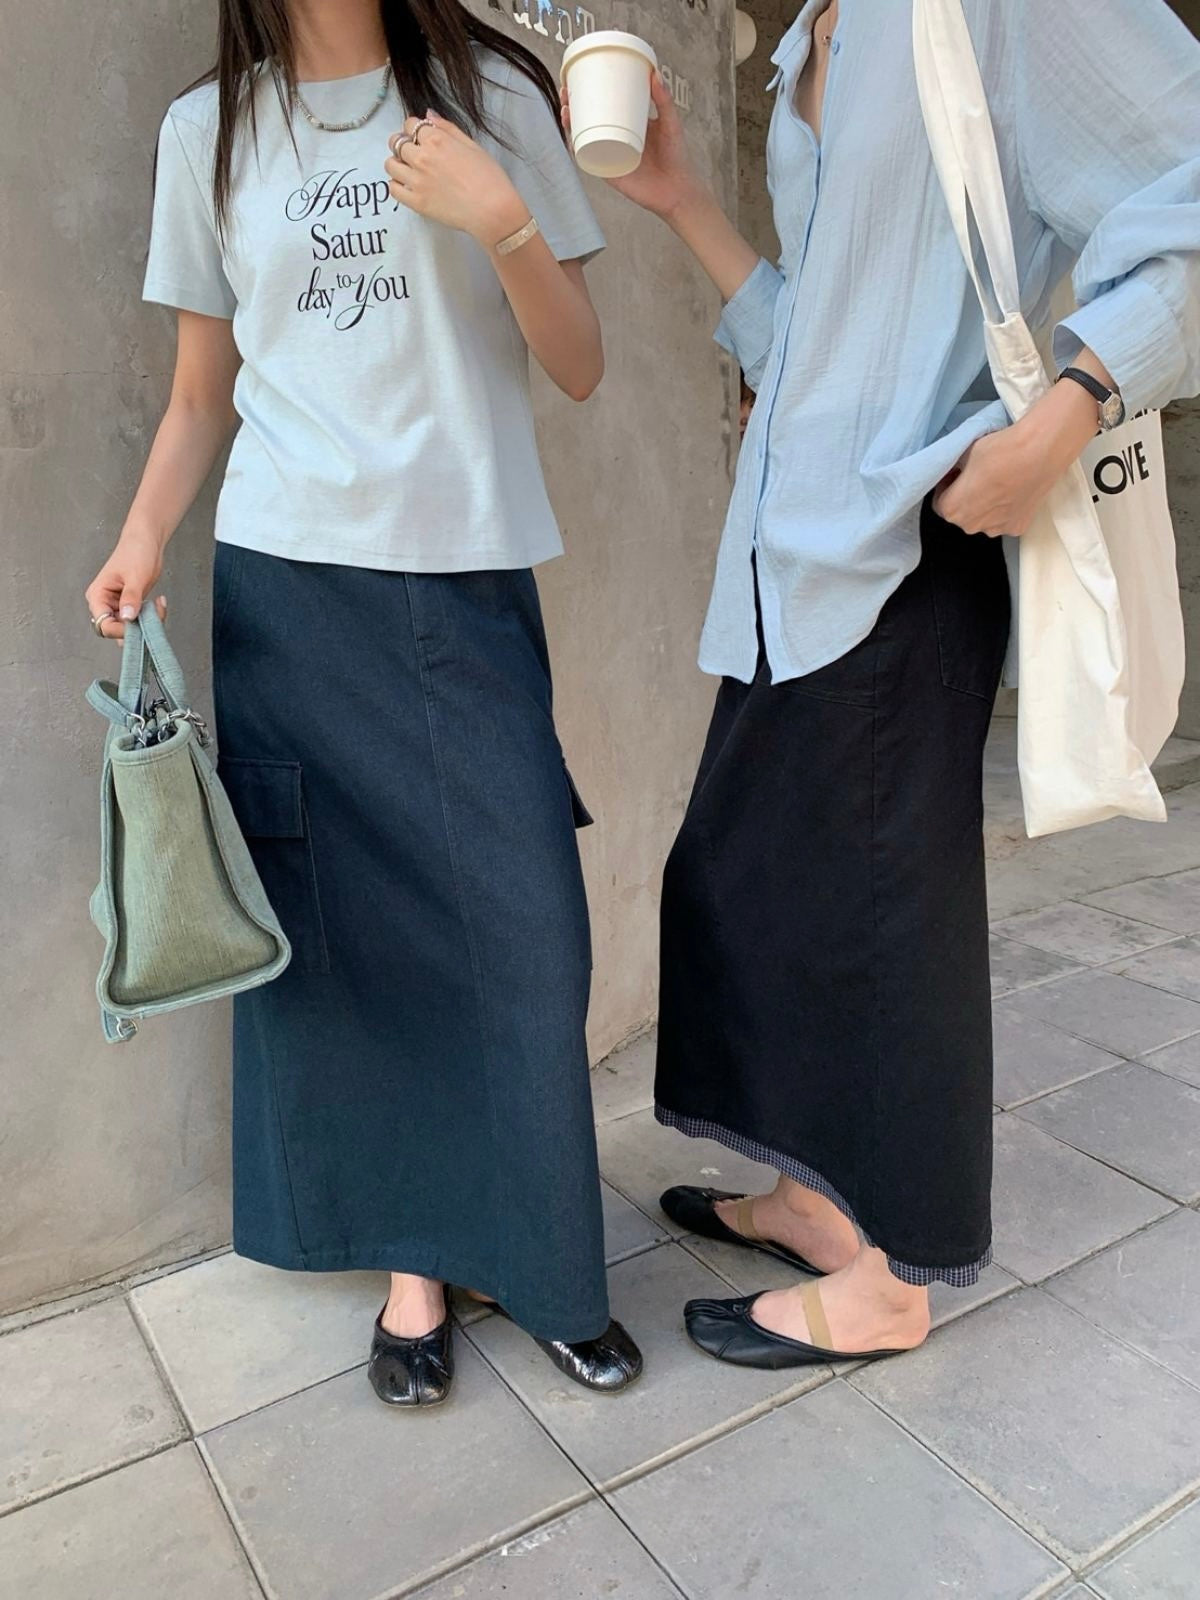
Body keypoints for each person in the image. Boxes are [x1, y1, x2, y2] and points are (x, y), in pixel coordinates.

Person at [579, 0, 1200, 1366]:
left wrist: (1068, 414)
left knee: (882, 912)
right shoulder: (820, 32)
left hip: (911, 535)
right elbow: (820, 337)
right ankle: (816, 1198)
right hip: (790, 548)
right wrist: (681, 199)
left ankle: (889, 1277)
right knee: (756, 883)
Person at [85, 0, 643, 1409]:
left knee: (524, 931)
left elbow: (580, 363)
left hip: (465, 577)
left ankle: (542, 1265)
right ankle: (414, 1269)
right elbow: (200, 394)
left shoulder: (491, 94)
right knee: (349, 946)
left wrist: (500, 218)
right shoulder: (207, 134)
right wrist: (142, 539)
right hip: (290, 593)